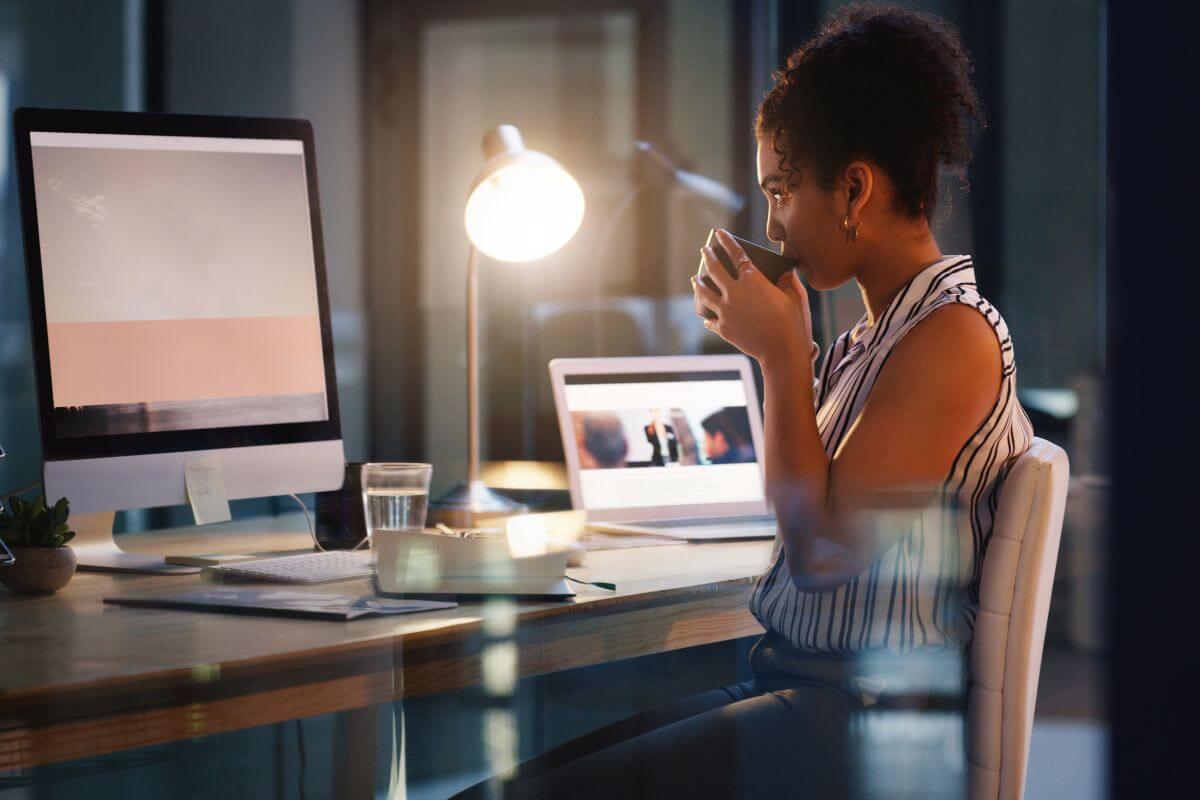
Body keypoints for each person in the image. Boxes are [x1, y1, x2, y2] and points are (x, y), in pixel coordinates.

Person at [459, 4, 1031, 797]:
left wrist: (781, 358)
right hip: (798, 689)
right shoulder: (874, 341)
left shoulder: (951, 335)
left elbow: (825, 554)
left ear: (853, 189)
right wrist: (791, 359)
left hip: (866, 724)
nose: (771, 224)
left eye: (779, 192)